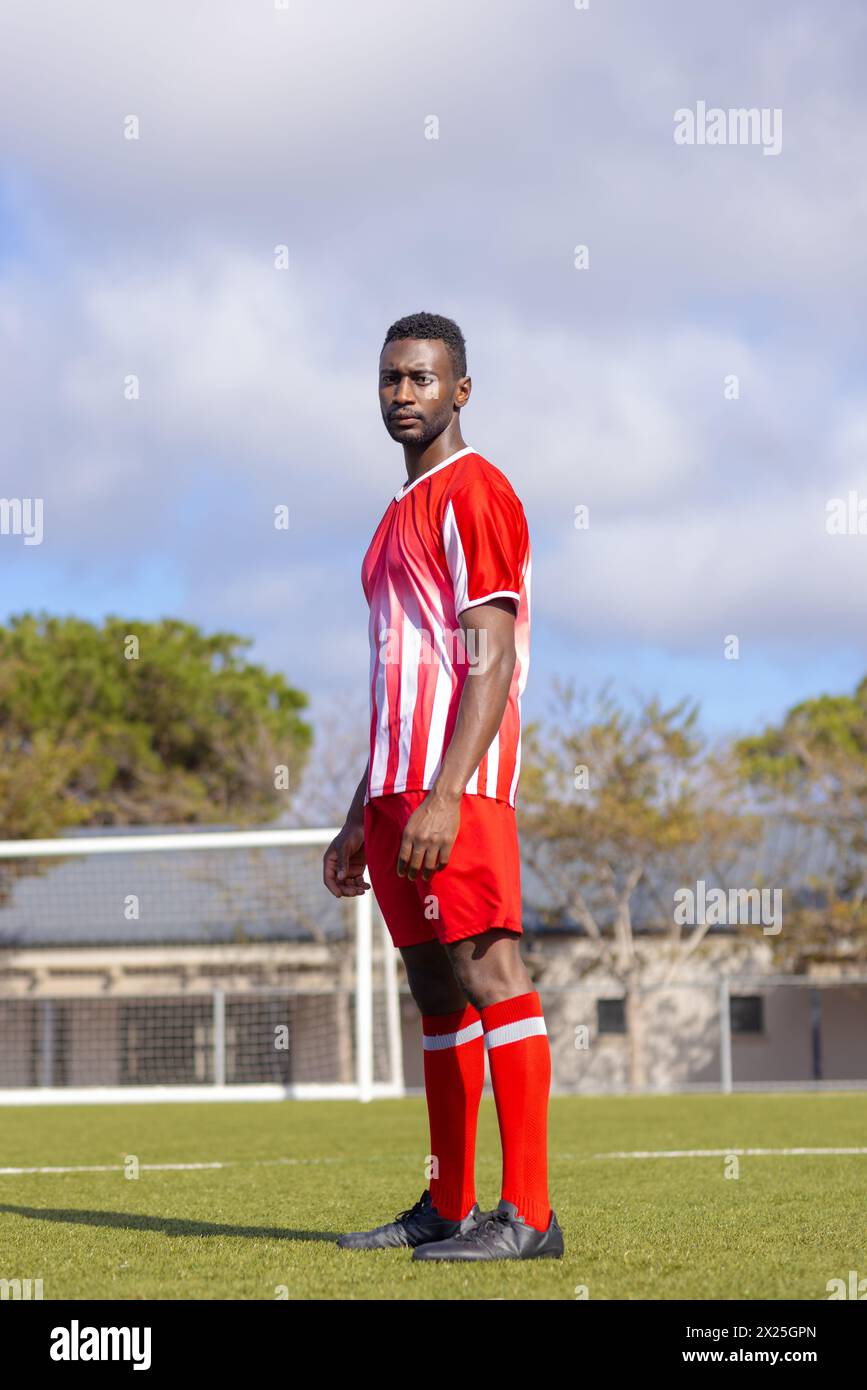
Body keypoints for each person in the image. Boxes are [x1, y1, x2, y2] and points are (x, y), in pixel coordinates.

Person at [323, 311, 562, 1261]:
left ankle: (531, 1215)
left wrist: (446, 791)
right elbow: (398, 674)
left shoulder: (476, 493)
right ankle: (448, 1202)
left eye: (421, 379)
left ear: (459, 390)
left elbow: (489, 659)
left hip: (453, 790)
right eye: (389, 379)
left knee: (486, 972)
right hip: (392, 794)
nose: (402, 395)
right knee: (432, 991)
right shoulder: (390, 521)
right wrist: (359, 812)